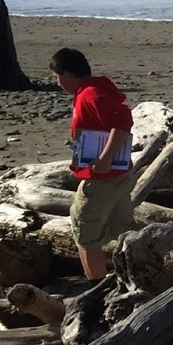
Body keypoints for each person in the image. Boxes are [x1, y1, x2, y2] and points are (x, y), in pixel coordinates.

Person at [50, 47, 134, 280]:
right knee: (124, 229)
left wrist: (105, 158)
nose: (58, 84)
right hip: (119, 176)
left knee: (84, 232)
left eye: (57, 78)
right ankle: (135, 274)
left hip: (102, 179)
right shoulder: (94, 91)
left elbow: (123, 122)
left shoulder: (91, 95)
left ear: (67, 74)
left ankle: (96, 287)